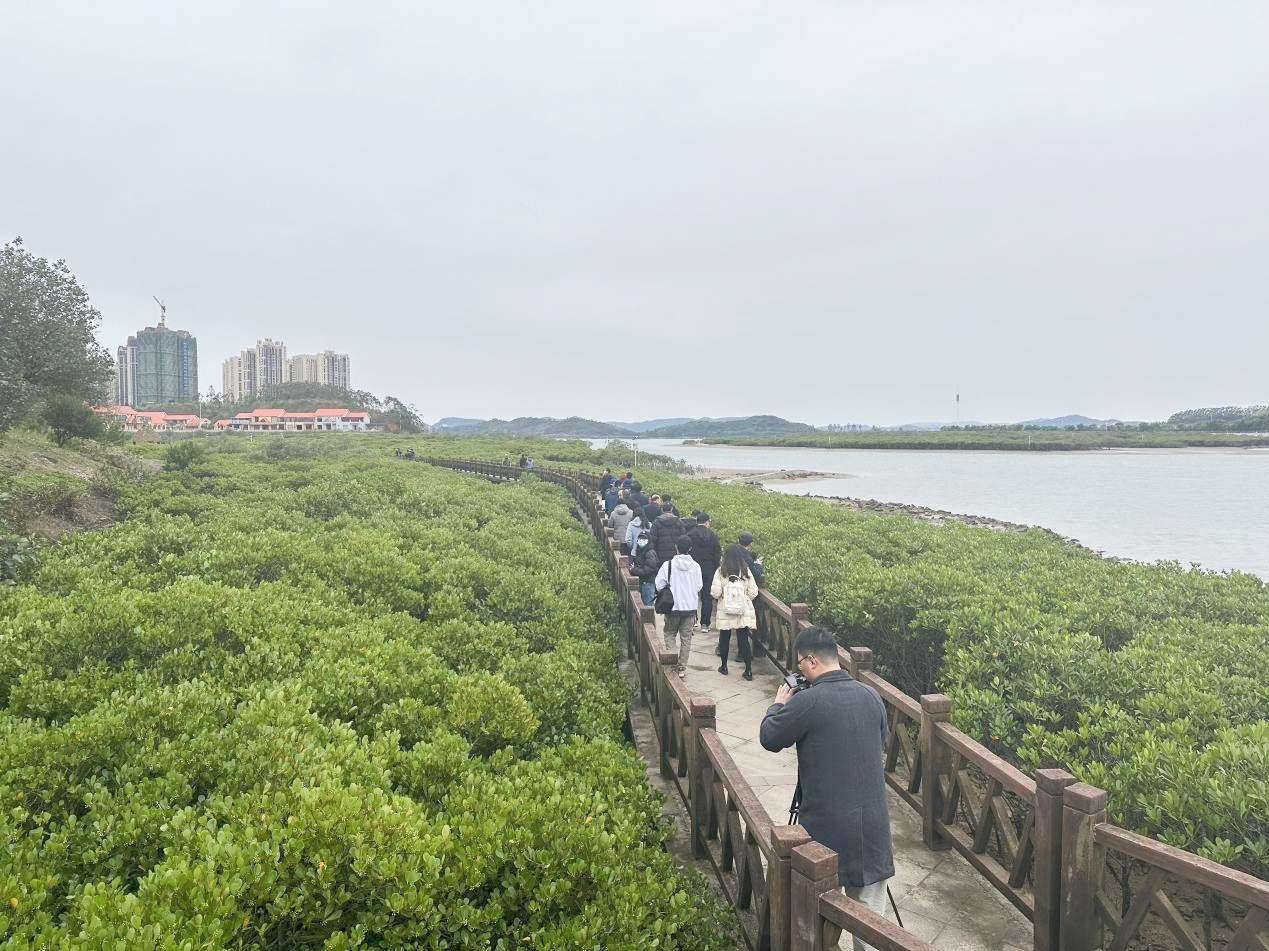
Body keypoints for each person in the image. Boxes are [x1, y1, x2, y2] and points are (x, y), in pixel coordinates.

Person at [760, 626, 895, 951]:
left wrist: (778, 704)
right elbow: (879, 741)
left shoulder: (807, 701)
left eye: (800, 665)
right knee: (870, 931)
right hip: (873, 833)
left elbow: (769, 737)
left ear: (810, 662)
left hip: (825, 835)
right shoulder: (871, 696)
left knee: (817, 925)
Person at [654, 535, 702, 678]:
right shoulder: (696, 567)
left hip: (673, 607)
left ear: (676, 547)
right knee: (686, 638)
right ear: (690, 548)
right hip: (690, 608)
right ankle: (682, 667)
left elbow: (659, 585)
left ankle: (672, 663)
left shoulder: (668, 565)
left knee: (669, 633)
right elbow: (699, 586)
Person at [711, 543, 757, 679]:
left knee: (724, 638)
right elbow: (754, 592)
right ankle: (748, 670)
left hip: (725, 610)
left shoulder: (721, 571)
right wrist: (742, 598)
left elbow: (715, 592)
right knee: (743, 639)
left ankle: (724, 666)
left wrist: (725, 597)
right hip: (741, 611)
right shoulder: (745, 570)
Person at [688, 513, 722, 630]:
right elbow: (717, 553)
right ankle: (705, 624)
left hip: (693, 568)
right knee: (707, 597)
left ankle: (692, 621)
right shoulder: (713, 535)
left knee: (692, 594)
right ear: (707, 522)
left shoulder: (690, 534)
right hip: (709, 569)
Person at [649, 502, 689, 571]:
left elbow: (652, 541)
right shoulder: (679, 522)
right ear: (672, 509)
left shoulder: (656, 522)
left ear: (662, 510)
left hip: (660, 555)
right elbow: (683, 539)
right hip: (675, 554)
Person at [630, 530, 660, 605]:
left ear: (648, 540)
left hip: (648, 584)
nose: (641, 541)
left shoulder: (650, 553)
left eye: (644, 539)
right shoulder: (641, 551)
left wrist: (634, 569)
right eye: (640, 539)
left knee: (648, 607)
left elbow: (648, 571)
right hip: (644, 583)